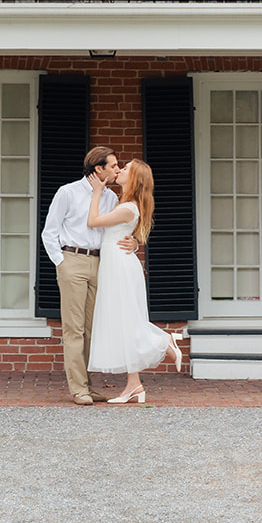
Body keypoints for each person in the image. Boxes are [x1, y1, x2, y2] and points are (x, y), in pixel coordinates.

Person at [40, 146, 138, 405]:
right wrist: (61, 263)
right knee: (74, 329)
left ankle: (88, 386)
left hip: (100, 263)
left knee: (92, 329)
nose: (117, 169)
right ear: (99, 168)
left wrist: (135, 244)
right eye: (113, 165)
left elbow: (119, 229)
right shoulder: (68, 192)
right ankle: (78, 389)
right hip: (72, 261)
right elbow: (49, 232)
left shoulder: (110, 197)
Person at [85, 158, 183, 403]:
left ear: (134, 178)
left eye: (125, 168)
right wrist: (136, 242)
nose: (120, 169)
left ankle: (164, 341)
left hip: (120, 267)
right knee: (122, 322)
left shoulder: (128, 206)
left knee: (127, 320)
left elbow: (93, 222)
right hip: (115, 265)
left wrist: (96, 192)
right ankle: (134, 385)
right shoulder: (125, 203)